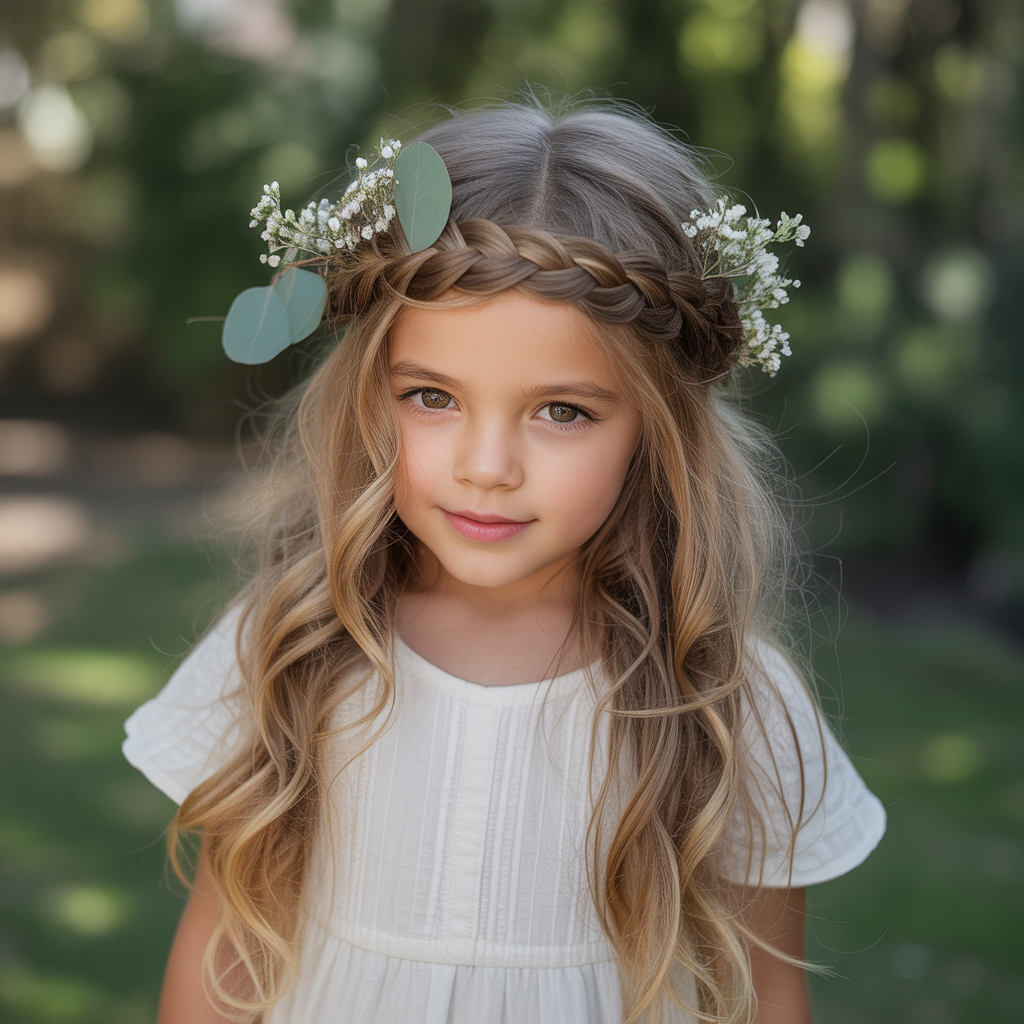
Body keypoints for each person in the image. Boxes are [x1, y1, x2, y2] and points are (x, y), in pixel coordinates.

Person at [123, 99, 886, 1024]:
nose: (487, 468)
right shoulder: (293, 646)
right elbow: (226, 943)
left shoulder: (728, 703)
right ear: (371, 396)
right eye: (433, 397)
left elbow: (767, 989)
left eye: (562, 411)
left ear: (658, 430)